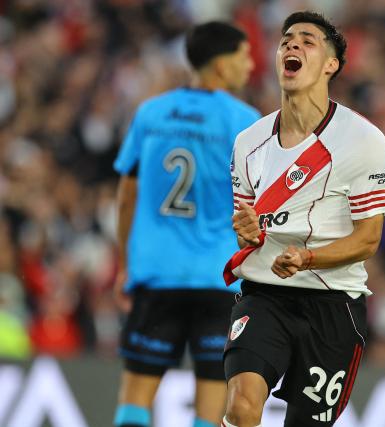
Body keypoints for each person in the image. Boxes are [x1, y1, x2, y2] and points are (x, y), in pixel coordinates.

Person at [221, 11, 385, 427]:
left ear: (331, 65)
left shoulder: (363, 140)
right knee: (241, 406)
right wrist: (246, 232)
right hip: (265, 295)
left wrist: (308, 258)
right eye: (286, 40)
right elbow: (249, 228)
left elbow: (368, 240)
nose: (292, 45)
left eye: (307, 40)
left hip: (333, 304)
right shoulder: (248, 142)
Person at [112, 21, 260, 427]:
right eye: (244, 56)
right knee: (210, 409)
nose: (250, 65)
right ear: (221, 62)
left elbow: (126, 197)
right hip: (218, 280)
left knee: (135, 398)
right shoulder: (246, 123)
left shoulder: (151, 113)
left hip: (157, 274)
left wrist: (126, 261)